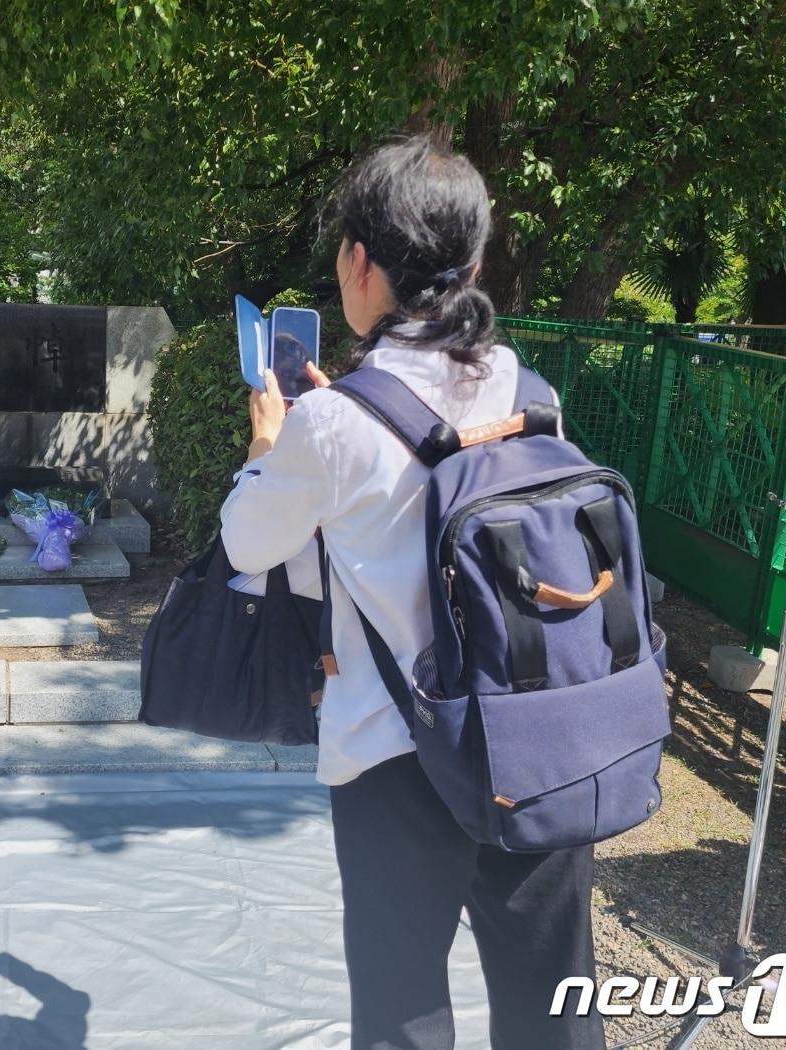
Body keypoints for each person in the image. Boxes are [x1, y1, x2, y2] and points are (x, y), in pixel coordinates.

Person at [217, 134, 605, 1050]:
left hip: (397, 756)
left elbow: (247, 543)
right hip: (541, 739)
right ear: (473, 261)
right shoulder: (531, 388)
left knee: (402, 1012)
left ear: (360, 264)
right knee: (554, 999)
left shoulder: (330, 420)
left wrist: (271, 442)